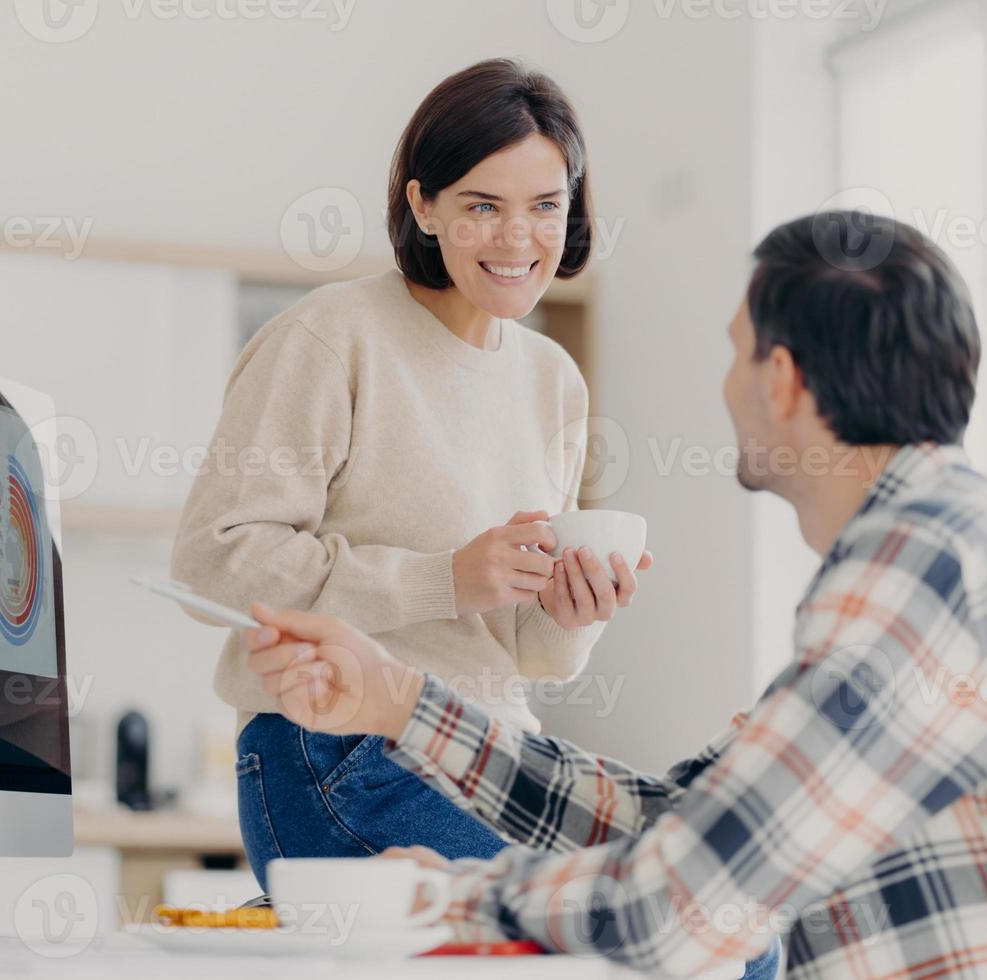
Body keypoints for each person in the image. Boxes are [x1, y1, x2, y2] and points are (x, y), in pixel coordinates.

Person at [242, 211, 987, 978]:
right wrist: (401, 701)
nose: (726, 386)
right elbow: (683, 820)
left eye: (735, 354)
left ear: (780, 380)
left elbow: (680, 899)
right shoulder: (954, 546)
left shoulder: (920, 577)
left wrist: (447, 896)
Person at [171, 60, 647, 883]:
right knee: (625, 928)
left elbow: (532, 653)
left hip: (495, 748)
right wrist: (442, 579)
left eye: (544, 207)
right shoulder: (331, 338)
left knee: (731, 929)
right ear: (423, 204)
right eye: (481, 207)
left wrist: (575, 609)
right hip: (335, 749)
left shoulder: (553, 380)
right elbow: (214, 564)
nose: (516, 239)